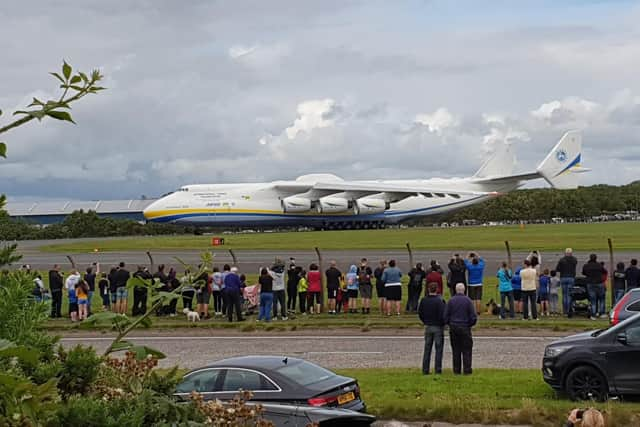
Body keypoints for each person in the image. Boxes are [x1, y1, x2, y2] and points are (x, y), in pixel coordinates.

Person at [444, 283, 477, 375]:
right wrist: (469, 324)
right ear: (464, 290)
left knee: (456, 350)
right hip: (465, 327)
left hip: (454, 327)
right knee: (467, 350)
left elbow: (446, 315)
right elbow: (473, 316)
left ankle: (456, 370)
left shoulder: (451, 301)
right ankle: (467, 369)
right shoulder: (468, 301)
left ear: (455, 290)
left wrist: (449, 323)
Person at [418, 282, 446, 375]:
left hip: (428, 326)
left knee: (427, 349)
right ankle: (438, 369)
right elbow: (443, 315)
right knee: (439, 350)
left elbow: (420, 313)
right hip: (438, 327)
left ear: (428, 289)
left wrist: (425, 321)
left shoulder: (424, 300)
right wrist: (442, 324)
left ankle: (425, 369)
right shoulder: (439, 301)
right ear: (437, 289)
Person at [582, 254, 606, 320]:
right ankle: (602, 313)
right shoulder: (599, 265)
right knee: (601, 299)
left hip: (590, 283)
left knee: (593, 300)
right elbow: (604, 271)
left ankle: (593, 315)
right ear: (596, 258)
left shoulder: (586, 265)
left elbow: (583, 273)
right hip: (599, 283)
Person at [556, 248, 578, 317]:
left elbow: (557, 269)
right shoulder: (574, 260)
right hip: (571, 277)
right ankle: (569, 310)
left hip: (563, 277)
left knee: (564, 295)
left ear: (565, 253)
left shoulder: (562, 260)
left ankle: (565, 311)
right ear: (571, 253)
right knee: (569, 295)